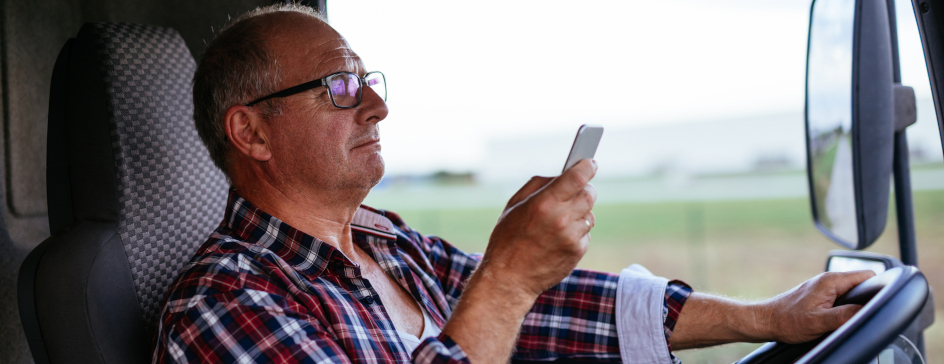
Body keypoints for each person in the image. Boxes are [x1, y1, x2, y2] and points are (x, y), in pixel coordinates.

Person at [153, 4, 875, 363]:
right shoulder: (222, 307)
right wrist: (506, 277)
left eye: (367, 81)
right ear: (251, 133)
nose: (376, 105)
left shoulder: (386, 240)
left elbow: (554, 307)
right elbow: (505, 297)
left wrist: (770, 316)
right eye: (339, 86)